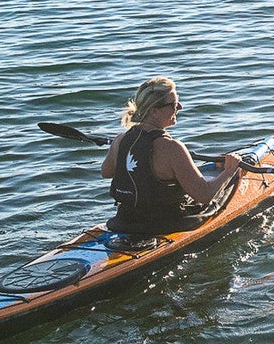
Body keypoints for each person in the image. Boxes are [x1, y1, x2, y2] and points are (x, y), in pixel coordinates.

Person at [100, 77, 243, 234]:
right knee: (225, 188)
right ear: (154, 111)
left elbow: (106, 172)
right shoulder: (172, 148)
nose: (180, 107)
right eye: (174, 104)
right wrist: (229, 170)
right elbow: (205, 195)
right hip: (165, 225)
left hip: (124, 220)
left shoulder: (120, 140)